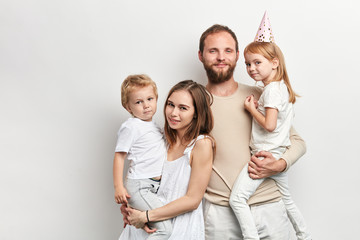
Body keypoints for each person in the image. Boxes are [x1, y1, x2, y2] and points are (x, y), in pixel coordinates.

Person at [198, 24, 307, 239]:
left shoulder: (261, 94)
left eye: (228, 50)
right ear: (200, 55)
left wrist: (279, 164)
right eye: (213, 51)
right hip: (220, 214)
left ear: (238, 55)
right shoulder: (193, 102)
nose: (221, 57)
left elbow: (297, 142)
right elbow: (173, 154)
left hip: (270, 208)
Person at [228, 12, 311, 240]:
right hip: (278, 153)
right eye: (247, 64)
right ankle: (304, 235)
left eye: (257, 62)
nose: (251, 68)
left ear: (274, 63)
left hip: (265, 156)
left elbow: (270, 125)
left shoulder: (272, 90)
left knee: (237, 199)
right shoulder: (280, 87)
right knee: (287, 200)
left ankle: (251, 237)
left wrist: (252, 109)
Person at [119, 80, 215, 240]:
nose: (173, 113)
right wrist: (130, 206)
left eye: (183, 108)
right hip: (145, 228)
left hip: (178, 229)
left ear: (197, 112)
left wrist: (147, 216)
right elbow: (138, 177)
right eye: (170, 104)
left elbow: (193, 200)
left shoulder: (201, 144)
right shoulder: (160, 139)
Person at [113, 74, 172, 239]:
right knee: (165, 229)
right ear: (128, 107)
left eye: (150, 99)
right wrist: (119, 187)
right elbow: (119, 157)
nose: (146, 105)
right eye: (138, 102)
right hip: (140, 186)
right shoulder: (131, 126)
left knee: (152, 225)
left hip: (153, 187)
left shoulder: (154, 126)